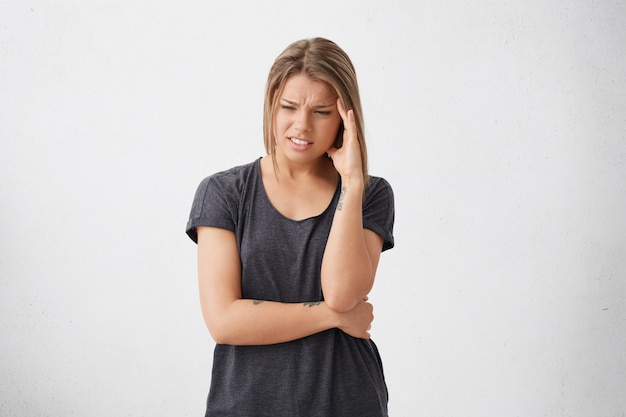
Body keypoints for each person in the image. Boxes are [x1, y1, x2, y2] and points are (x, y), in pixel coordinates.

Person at [186, 37, 395, 417]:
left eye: (321, 112)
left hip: (346, 400)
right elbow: (225, 321)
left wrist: (350, 182)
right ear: (271, 105)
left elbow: (343, 293)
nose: (302, 125)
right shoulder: (224, 193)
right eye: (289, 107)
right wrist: (331, 317)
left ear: (346, 118)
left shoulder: (370, 193)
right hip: (246, 404)